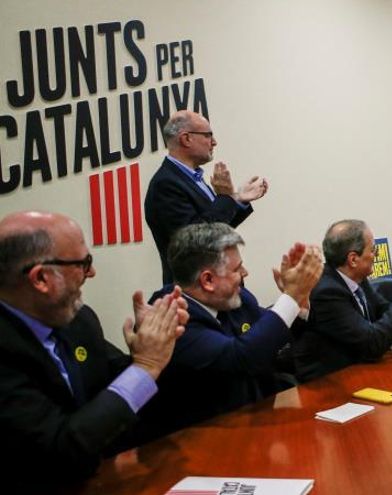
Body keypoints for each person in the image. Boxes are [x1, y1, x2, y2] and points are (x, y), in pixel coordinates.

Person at [0, 211, 187, 491]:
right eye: (83, 263)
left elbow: (118, 389)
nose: (92, 272)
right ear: (41, 279)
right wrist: (145, 366)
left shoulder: (79, 320)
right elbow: (60, 449)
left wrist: (159, 344)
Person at [135, 223, 323, 441]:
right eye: (236, 269)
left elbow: (270, 340)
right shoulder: (170, 317)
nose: (245, 273)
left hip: (252, 427)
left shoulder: (237, 299)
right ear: (208, 280)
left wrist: (298, 302)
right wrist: (290, 296)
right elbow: (241, 358)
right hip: (198, 444)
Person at [289, 219, 392, 382]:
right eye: (373, 250)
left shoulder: (357, 278)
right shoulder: (326, 292)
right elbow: (372, 344)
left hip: (363, 372)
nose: (376, 255)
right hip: (331, 385)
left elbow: (388, 319)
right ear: (353, 259)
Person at [145, 110, 269, 284]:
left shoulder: (191, 177)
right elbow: (195, 242)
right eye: (208, 135)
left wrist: (237, 199)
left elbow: (217, 227)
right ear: (186, 139)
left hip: (219, 288)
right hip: (196, 293)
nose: (214, 142)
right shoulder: (165, 184)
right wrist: (226, 198)